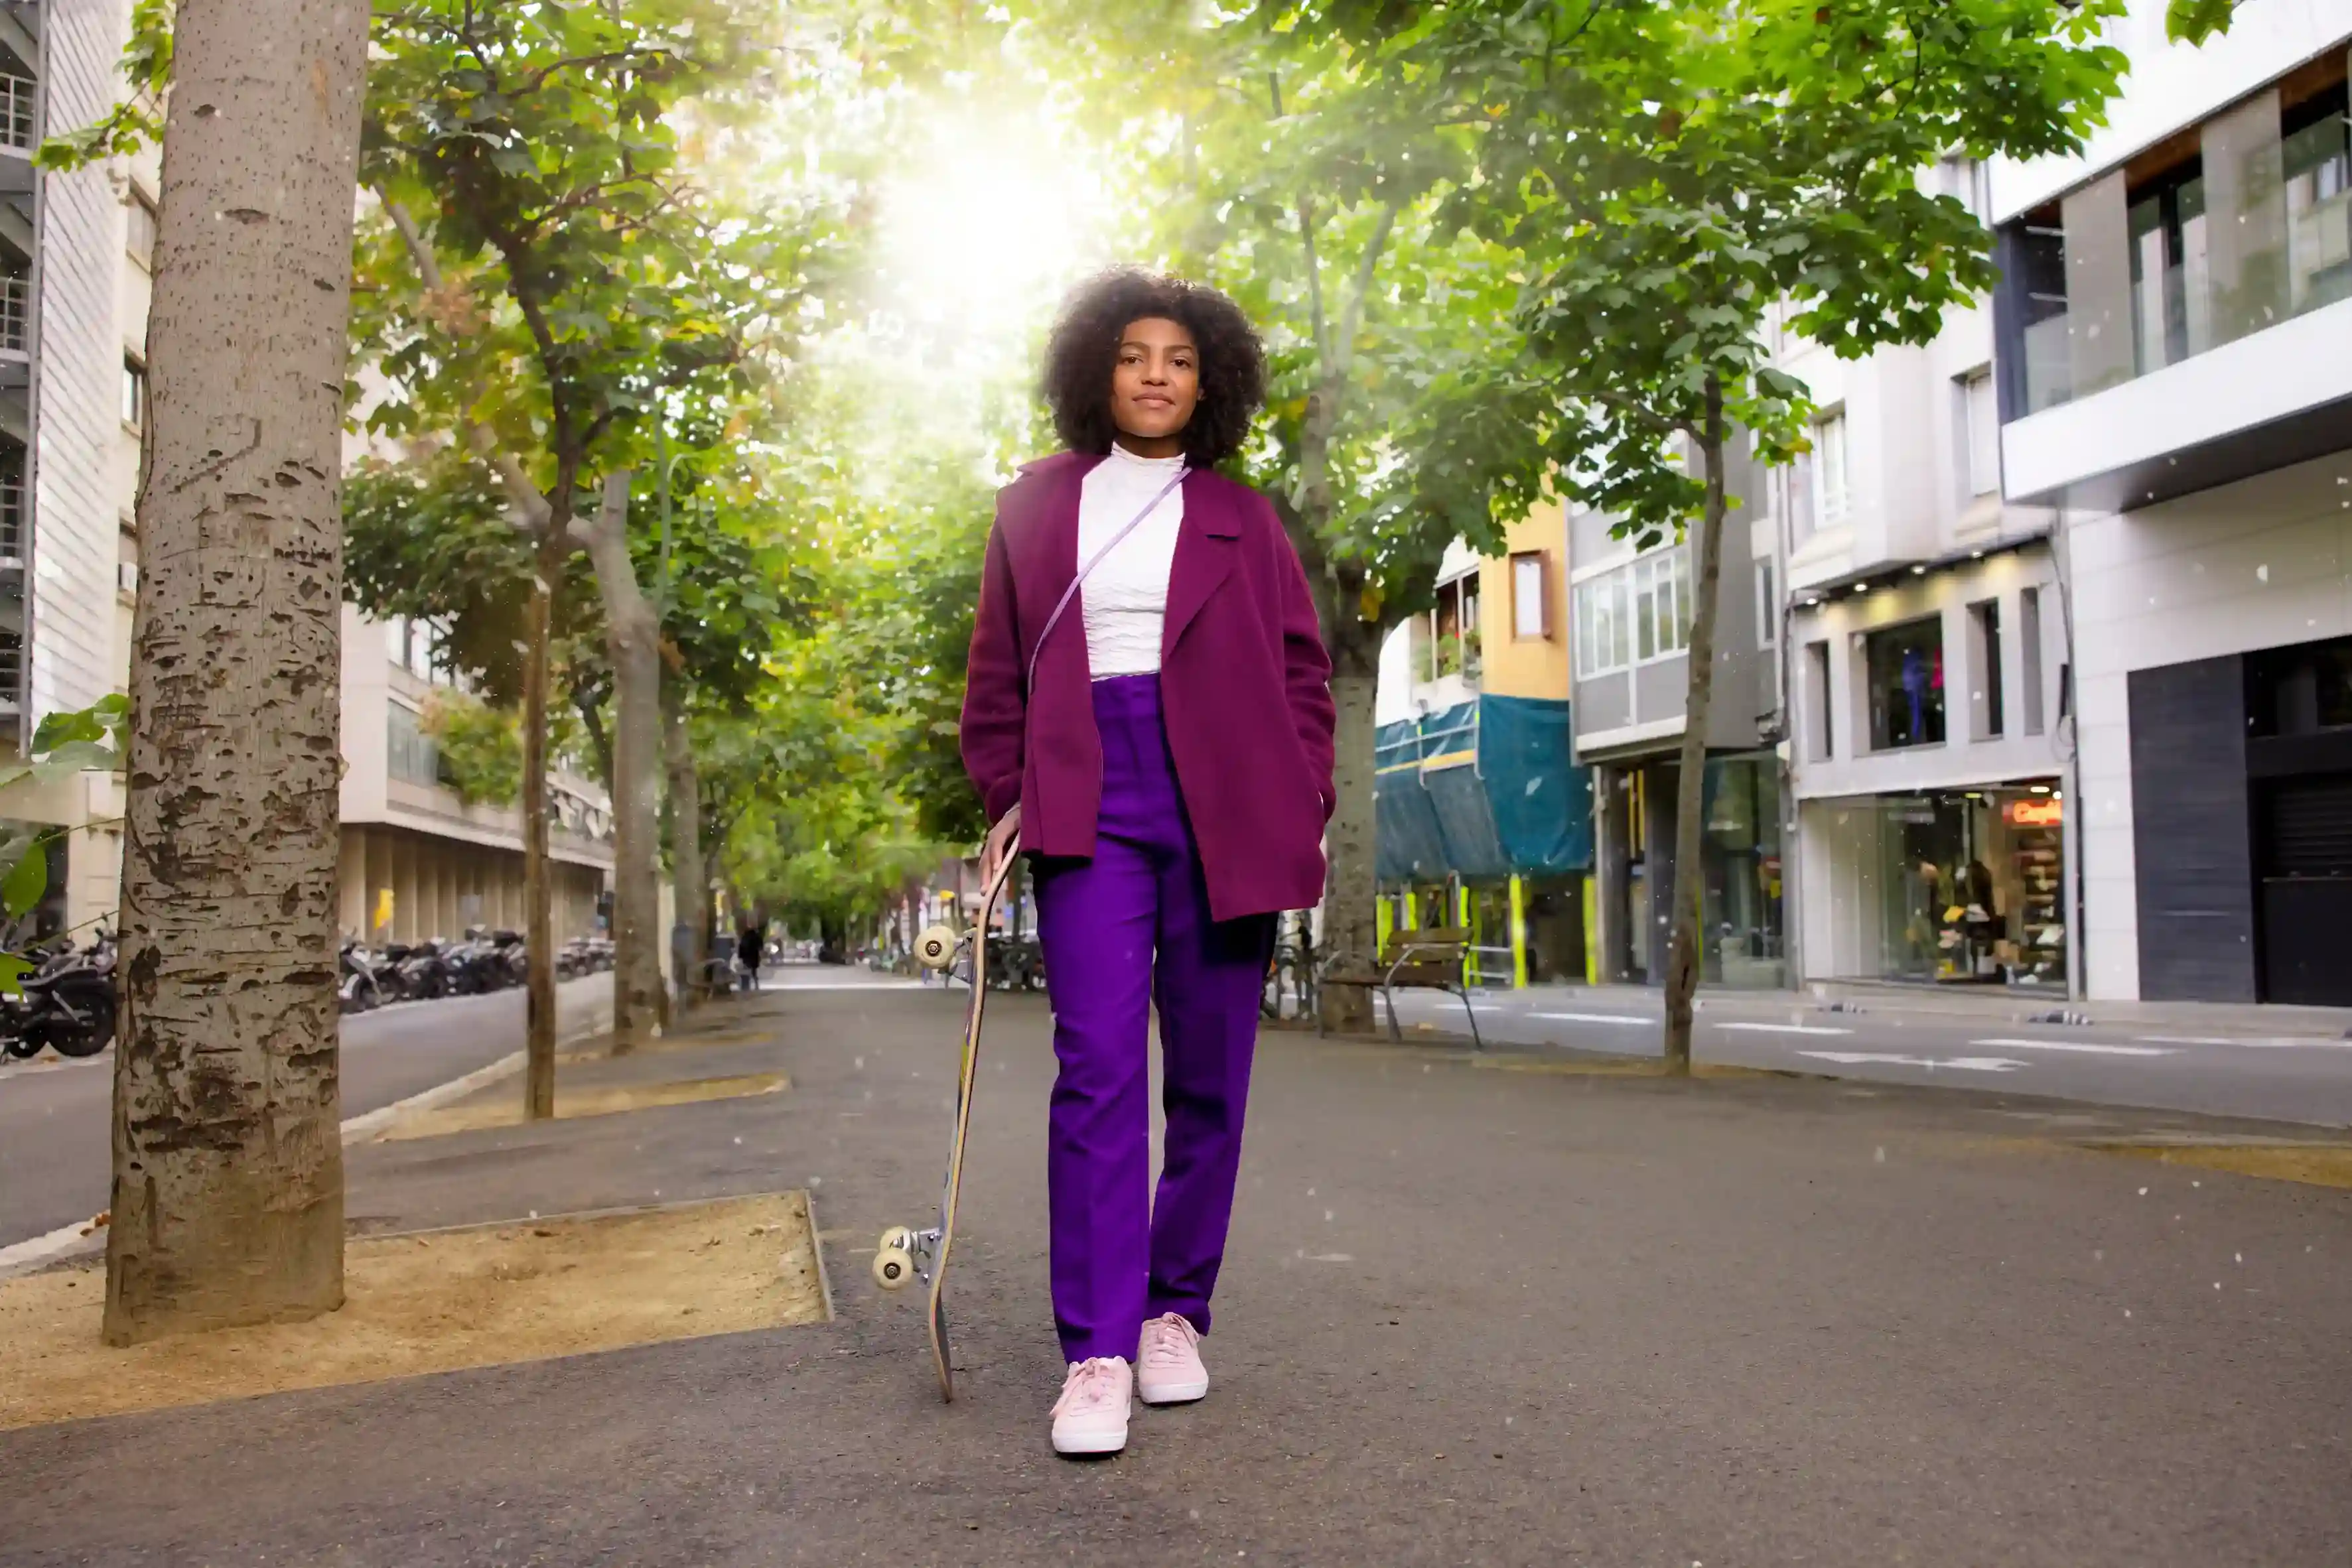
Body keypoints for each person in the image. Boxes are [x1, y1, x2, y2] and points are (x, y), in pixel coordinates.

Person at [961, 269, 1336, 1457]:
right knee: (1099, 1070)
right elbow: (995, 671)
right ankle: (1098, 1349)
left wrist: (1305, 793)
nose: (1156, 373)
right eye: (1134, 353)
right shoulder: (1033, 506)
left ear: (1208, 378)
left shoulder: (1247, 517)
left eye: (1179, 356)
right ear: (1097, 370)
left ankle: (1176, 1311)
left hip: (1227, 797)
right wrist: (1010, 790)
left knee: (1211, 1076)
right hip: (1091, 794)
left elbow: (1303, 677)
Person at [736, 923, 763, 992]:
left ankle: (745, 986)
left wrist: (740, 957)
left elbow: (741, 947)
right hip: (754, 956)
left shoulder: (745, 937)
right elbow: (760, 947)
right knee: (754, 971)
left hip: (746, 956)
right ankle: (756, 985)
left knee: (745, 970)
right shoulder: (756, 936)